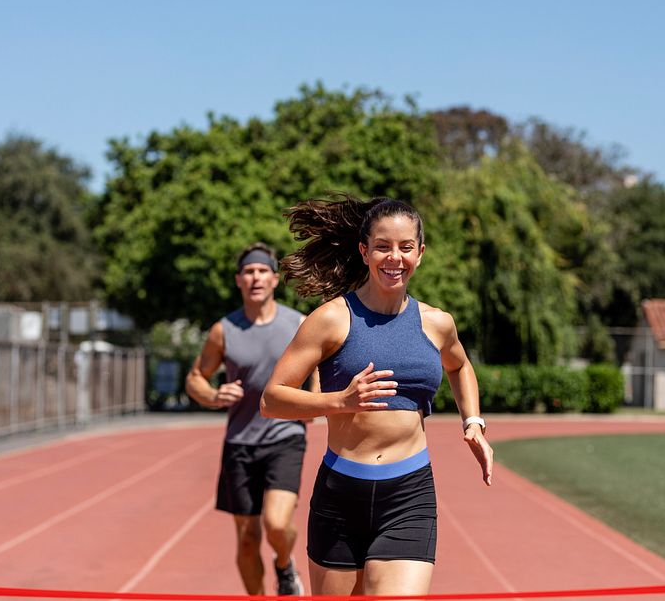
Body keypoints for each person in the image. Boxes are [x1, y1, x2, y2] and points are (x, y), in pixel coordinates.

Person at [260, 195, 493, 597]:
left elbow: (459, 366)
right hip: (340, 495)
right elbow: (272, 400)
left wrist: (472, 422)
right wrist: (339, 401)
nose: (394, 257)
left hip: (408, 495)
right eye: (383, 246)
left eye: (405, 248)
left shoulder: (437, 323)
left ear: (420, 254)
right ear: (364, 251)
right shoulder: (332, 318)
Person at [185, 242, 316, 596]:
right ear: (238, 280)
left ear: (274, 279)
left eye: (262, 271)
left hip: (285, 436)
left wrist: (313, 403)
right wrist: (213, 395)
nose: (255, 277)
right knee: (246, 540)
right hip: (240, 442)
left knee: (276, 523)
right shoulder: (223, 330)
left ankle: (284, 564)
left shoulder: (299, 324)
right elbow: (196, 377)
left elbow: (319, 364)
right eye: (248, 272)